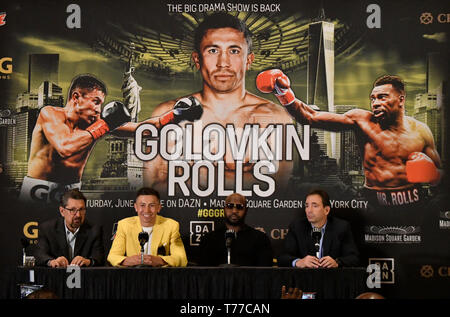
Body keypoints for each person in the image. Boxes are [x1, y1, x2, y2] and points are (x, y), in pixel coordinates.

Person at [144, 13, 294, 193]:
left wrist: (198, 176)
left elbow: (277, 188)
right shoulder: (167, 112)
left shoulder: (275, 117)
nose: (223, 63)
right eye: (213, 50)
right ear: (197, 60)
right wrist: (239, 178)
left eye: (234, 51)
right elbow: (152, 190)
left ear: (248, 60)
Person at [256, 71, 442, 208]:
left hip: (414, 203)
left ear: (401, 100)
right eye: (373, 98)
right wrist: (282, 91)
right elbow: (310, 117)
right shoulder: (362, 121)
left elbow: (441, 180)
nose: (376, 103)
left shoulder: (421, 131)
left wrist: (433, 174)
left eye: (382, 97)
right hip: (373, 202)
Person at [19, 73, 202, 203]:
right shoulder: (50, 114)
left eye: (101, 104)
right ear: (76, 97)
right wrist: (105, 124)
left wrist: (175, 114)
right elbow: (65, 147)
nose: (99, 109)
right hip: (38, 192)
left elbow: (144, 130)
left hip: (72, 195)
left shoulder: (95, 124)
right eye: (95, 102)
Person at [107, 187, 187, 267]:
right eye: (142, 205)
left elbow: (181, 258)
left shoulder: (171, 226)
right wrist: (127, 261)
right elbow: (112, 256)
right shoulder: (124, 225)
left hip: (159, 275)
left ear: (159, 208)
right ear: (136, 207)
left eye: (151, 205)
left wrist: (160, 260)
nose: (146, 210)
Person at [278, 189, 359, 268]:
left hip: (331, 278)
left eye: (315, 206)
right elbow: (282, 258)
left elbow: (353, 258)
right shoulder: (297, 227)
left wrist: (337, 262)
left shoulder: (341, 227)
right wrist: (299, 262)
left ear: (326, 210)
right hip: (305, 278)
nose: (309, 210)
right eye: (307, 206)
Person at [34, 189, 105, 267]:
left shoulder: (94, 230)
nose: (78, 215)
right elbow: (40, 254)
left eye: (81, 209)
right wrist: (52, 262)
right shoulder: (47, 229)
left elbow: (99, 258)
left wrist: (88, 261)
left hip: (84, 277)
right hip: (56, 276)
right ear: (62, 211)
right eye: (73, 210)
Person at [198, 192, 273, 266]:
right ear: (224, 208)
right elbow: (202, 273)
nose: (234, 211)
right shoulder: (209, 239)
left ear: (246, 210)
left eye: (239, 207)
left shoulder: (260, 239)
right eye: (230, 206)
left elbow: (265, 273)